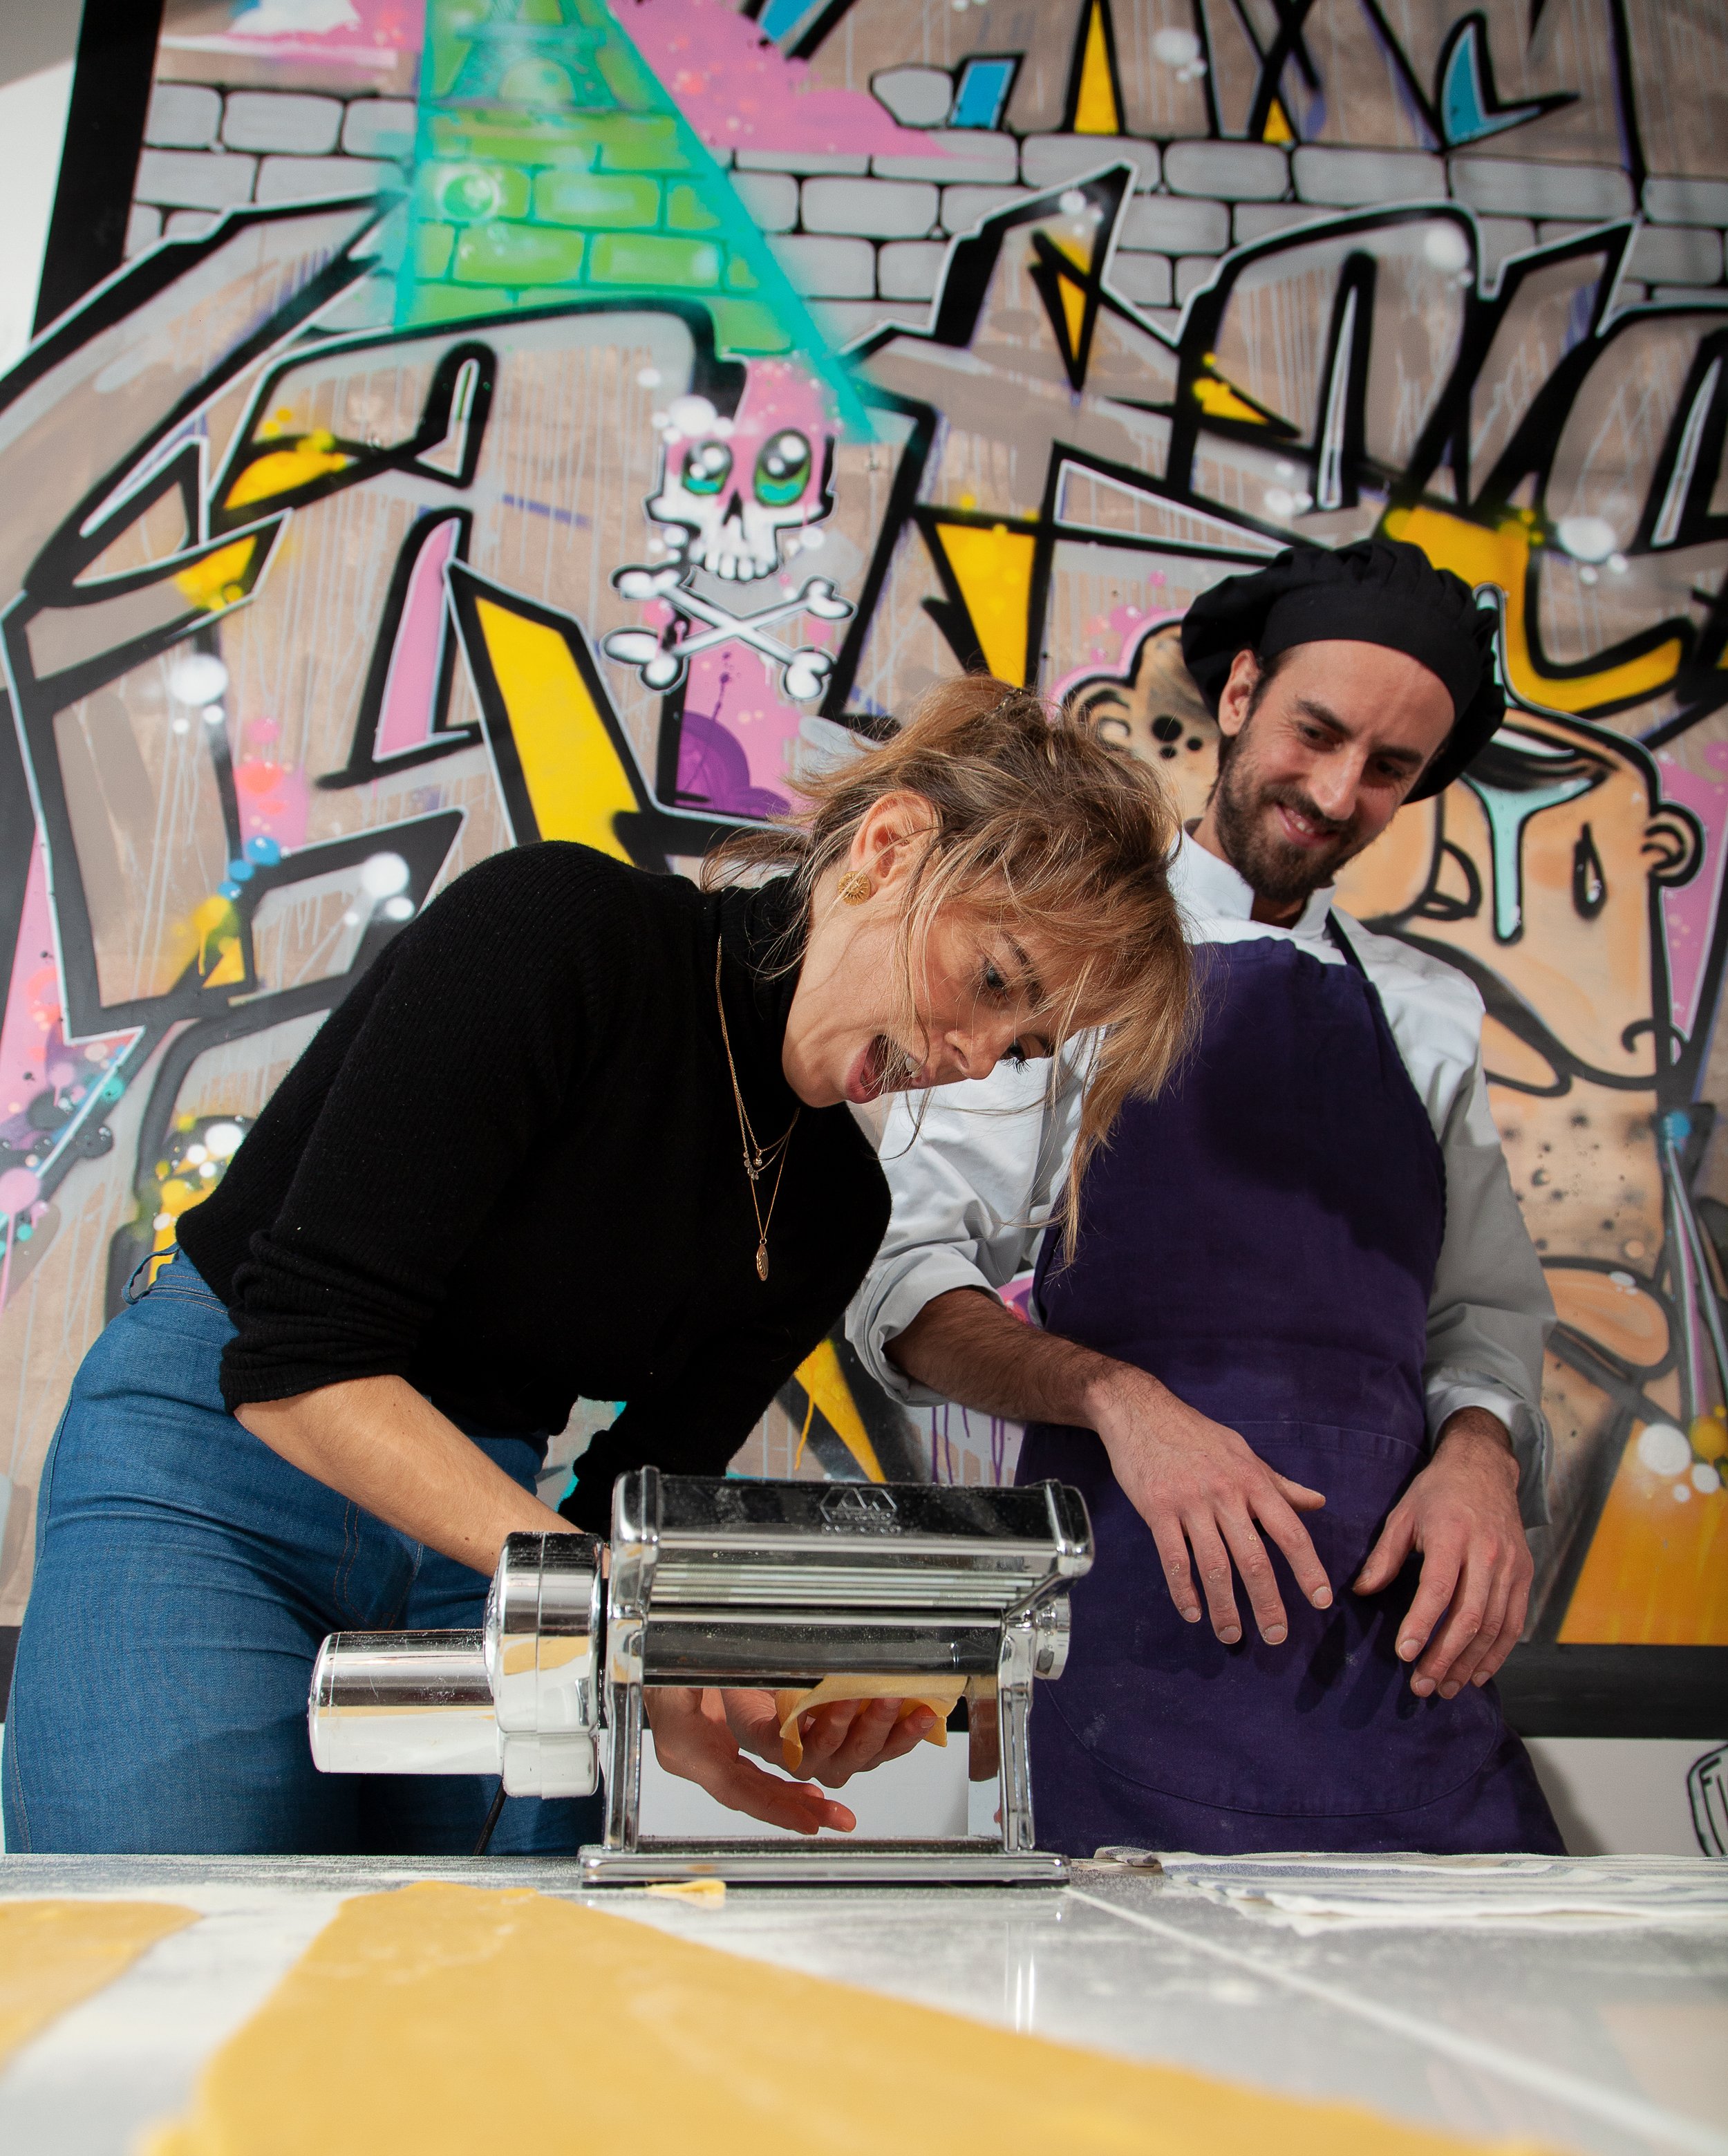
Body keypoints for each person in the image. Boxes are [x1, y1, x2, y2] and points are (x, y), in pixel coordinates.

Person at [3, 677, 1190, 1857]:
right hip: (219, 1477)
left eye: (1024, 1047)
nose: (977, 1059)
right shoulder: (563, 932)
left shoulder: (837, 1207)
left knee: (470, 1992)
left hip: (486, 1539)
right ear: (888, 846)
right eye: (993, 982)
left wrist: (752, 1695)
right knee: (178, 1962)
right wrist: (631, 1616)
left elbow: (633, 1506)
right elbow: (296, 1363)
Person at [849, 539, 1566, 1856]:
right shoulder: (1073, 956)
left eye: (1392, 770)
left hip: (1403, 1690)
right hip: (1136, 1683)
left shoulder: (1426, 1013)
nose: (1340, 790)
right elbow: (900, 1281)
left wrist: (1479, 1454)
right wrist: (1119, 1400)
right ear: (1239, 695)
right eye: (1319, 732)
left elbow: (1484, 1316)